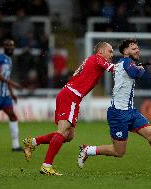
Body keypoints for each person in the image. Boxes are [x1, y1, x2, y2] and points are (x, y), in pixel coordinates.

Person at [77, 39, 151, 174]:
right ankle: (87, 150)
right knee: (119, 152)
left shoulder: (125, 63)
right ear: (125, 51)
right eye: (133, 48)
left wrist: (138, 68)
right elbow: (135, 73)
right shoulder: (125, 62)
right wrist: (141, 69)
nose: (137, 50)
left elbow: (132, 72)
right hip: (118, 114)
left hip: (131, 111)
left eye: (138, 48)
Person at [23, 42, 115, 175]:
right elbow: (113, 69)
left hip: (70, 95)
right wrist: (129, 66)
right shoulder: (97, 59)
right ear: (100, 52)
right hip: (71, 95)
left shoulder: (92, 60)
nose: (112, 54)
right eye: (110, 51)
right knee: (62, 131)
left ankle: (32, 142)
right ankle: (46, 166)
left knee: (69, 136)